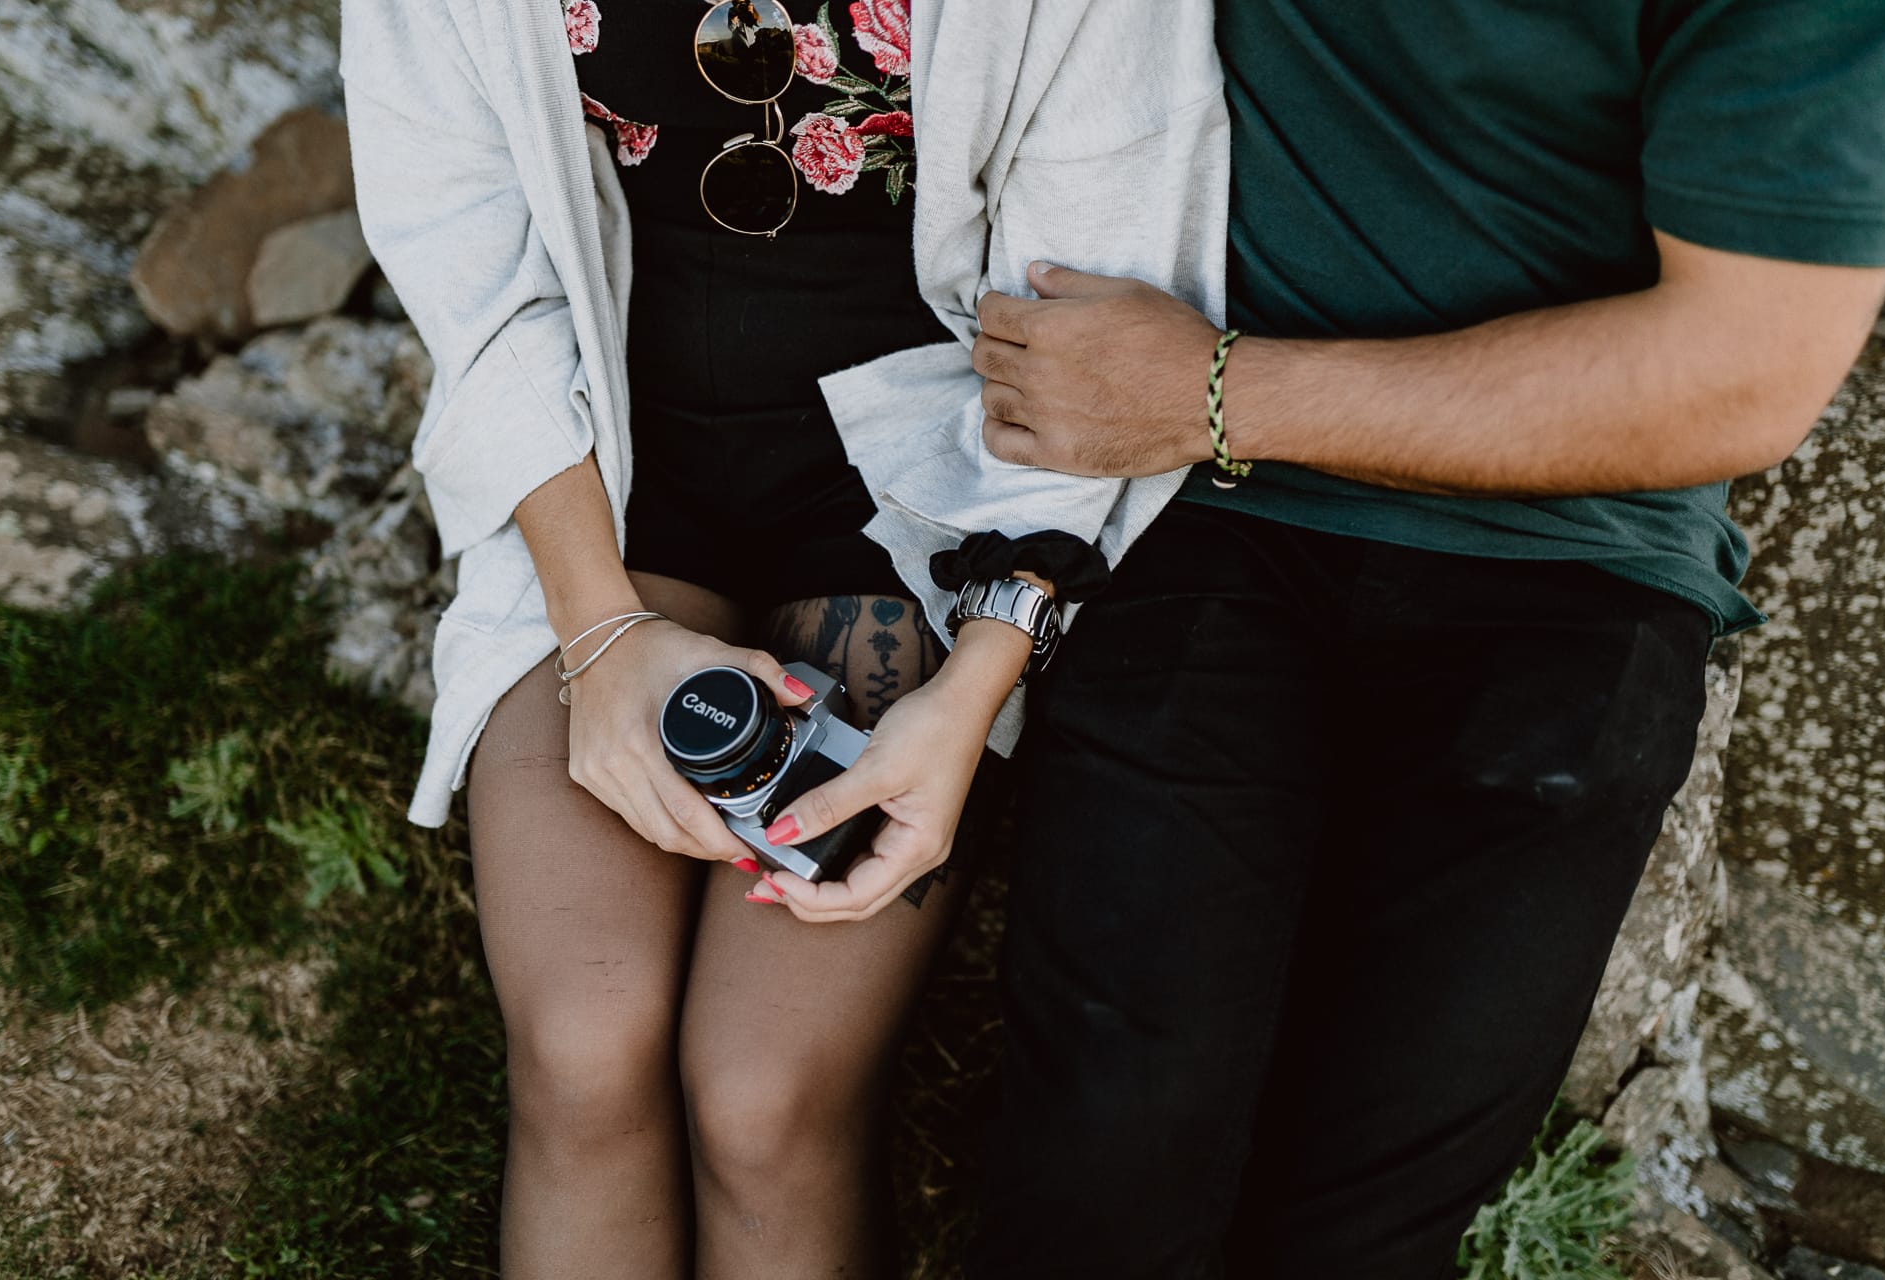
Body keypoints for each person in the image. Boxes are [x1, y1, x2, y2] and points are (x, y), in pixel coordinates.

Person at [961, 2, 1885, 1276]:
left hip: (1565, 559)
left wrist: (1216, 390)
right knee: (1103, 1167)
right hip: (1216, 522)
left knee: (1361, 1219)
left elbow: (1741, 368)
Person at [338, 0, 1226, 1274]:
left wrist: (977, 680)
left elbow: (1115, 299)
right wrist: (595, 629)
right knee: (584, 1049)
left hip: (929, 495)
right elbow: (469, 269)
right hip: (609, 479)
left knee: (764, 1097)